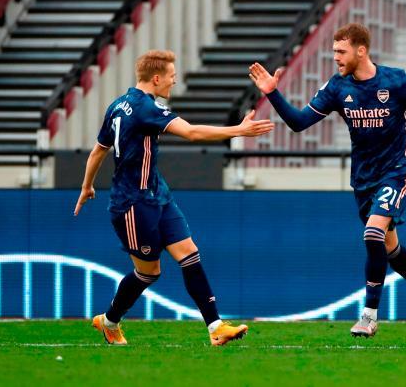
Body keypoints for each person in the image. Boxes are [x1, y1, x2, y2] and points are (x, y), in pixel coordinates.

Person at [249, 23, 406, 337]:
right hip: (364, 178)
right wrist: (272, 93)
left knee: (373, 232)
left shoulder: (397, 81)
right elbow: (298, 123)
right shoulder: (337, 88)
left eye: (341, 51)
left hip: (398, 170)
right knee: (389, 247)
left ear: (361, 51)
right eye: (334, 51)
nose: (336, 57)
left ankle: (369, 316)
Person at [74, 50, 274, 346]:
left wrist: (87, 186)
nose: (174, 81)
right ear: (156, 78)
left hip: (158, 194)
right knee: (148, 272)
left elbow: (98, 150)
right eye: (171, 76)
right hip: (132, 203)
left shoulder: (118, 105)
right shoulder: (144, 108)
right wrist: (239, 131)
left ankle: (216, 327)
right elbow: (191, 133)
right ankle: (109, 321)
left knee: (189, 253)